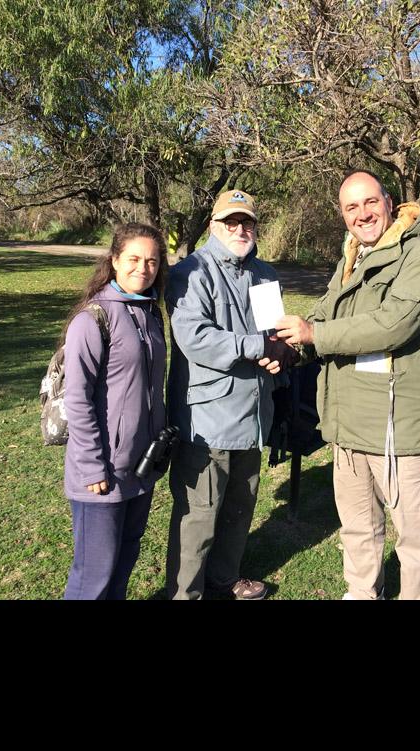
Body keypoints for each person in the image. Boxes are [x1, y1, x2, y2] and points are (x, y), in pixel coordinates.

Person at [276, 170, 420, 600]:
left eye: (370, 202)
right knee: (358, 527)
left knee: (415, 537)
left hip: (397, 427)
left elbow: (392, 325)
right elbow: (324, 313)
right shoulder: (351, 257)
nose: (363, 214)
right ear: (343, 215)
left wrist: (315, 335)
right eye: (351, 207)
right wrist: (290, 348)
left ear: (389, 203)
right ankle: (362, 593)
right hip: (348, 422)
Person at [165, 189, 297, 600]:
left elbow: (273, 335)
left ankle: (224, 579)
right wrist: (259, 347)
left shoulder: (265, 274)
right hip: (208, 421)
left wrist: (282, 358)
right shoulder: (190, 272)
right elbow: (196, 338)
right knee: (199, 517)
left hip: (254, 416)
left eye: (247, 222)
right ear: (213, 226)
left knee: (240, 508)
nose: (240, 230)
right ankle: (185, 594)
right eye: (231, 222)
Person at [62, 223, 167, 600]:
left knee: (124, 561)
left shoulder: (150, 313)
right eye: (134, 259)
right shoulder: (92, 319)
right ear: (115, 261)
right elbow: (77, 400)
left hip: (141, 465)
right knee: (93, 575)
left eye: (152, 261)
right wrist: (92, 467)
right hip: (102, 472)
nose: (143, 268)